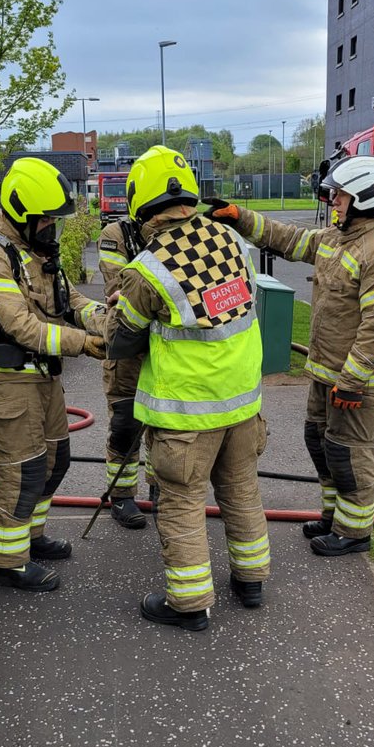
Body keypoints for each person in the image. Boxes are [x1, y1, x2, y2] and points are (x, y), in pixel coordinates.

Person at [208, 155, 374, 557]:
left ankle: (354, 533)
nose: (334, 201)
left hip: (354, 382)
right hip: (324, 374)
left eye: (341, 195)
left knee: (349, 453)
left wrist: (352, 384)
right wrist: (239, 216)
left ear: (366, 197)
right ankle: (333, 516)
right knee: (320, 443)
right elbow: (287, 238)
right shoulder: (337, 239)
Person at [106, 145, 269, 631]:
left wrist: (115, 307)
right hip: (243, 405)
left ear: (141, 201)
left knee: (180, 503)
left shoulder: (149, 268)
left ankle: (189, 603)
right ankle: (252, 580)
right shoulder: (231, 241)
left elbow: (120, 342)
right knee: (241, 490)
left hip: (186, 418)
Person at [0, 157, 107, 593]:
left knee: (56, 462)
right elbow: (17, 324)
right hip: (9, 380)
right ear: (22, 214)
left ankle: (32, 538)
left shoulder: (34, 253)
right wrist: (83, 343)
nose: (51, 230)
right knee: (21, 470)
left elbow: (71, 300)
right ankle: (10, 562)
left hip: (44, 378)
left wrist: (106, 319)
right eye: (46, 222)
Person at [97, 216, 147, 529]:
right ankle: (123, 495)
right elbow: (120, 288)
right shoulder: (116, 234)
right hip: (127, 347)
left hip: (166, 349)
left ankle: (160, 489)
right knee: (126, 424)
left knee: (165, 423)